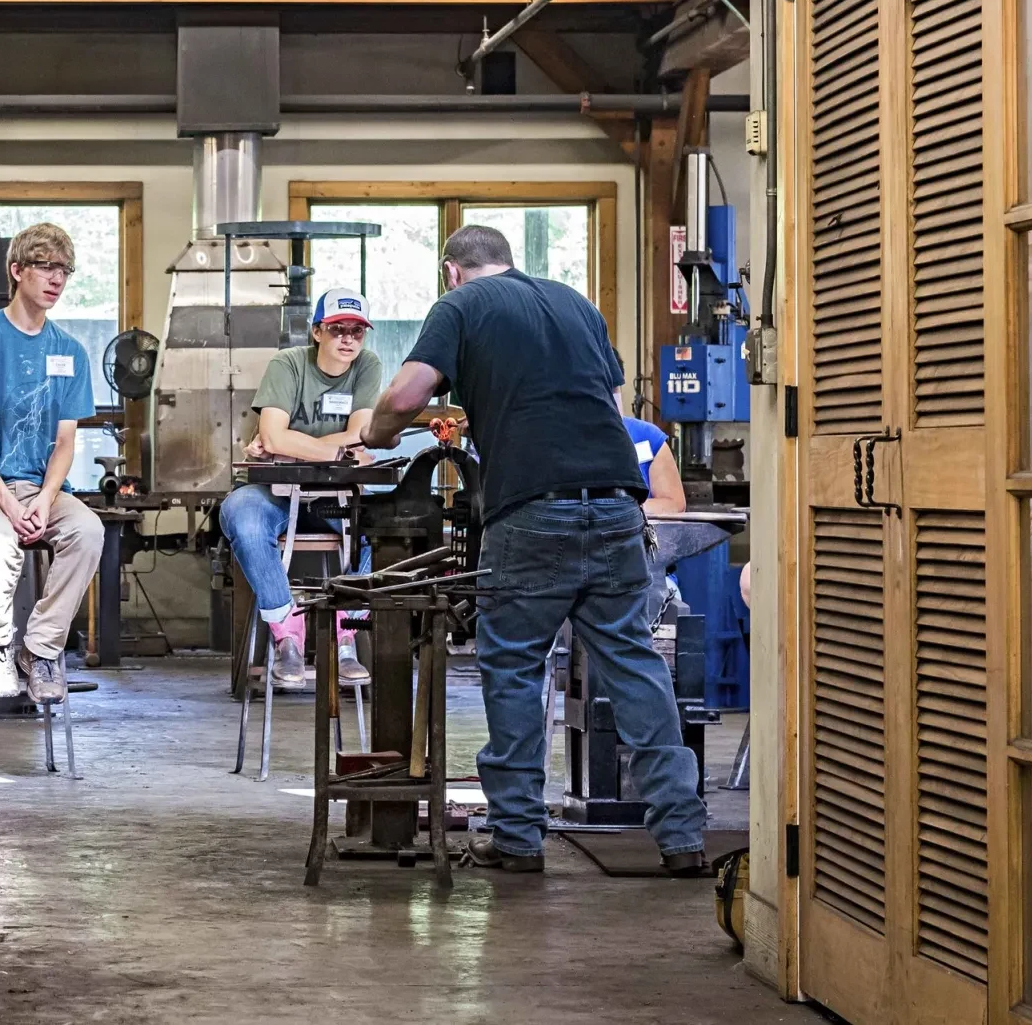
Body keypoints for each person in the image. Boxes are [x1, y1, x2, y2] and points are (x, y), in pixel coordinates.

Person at [365, 224, 709, 876]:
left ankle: (520, 838)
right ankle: (683, 836)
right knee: (633, 665)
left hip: (531, 510)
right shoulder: (575, 303)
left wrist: (374, 431)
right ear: (509, 261)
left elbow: (407, 395)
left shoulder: (460, 305)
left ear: (452, 271)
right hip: (615, 503)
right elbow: (607, 406)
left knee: (517, 666)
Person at [0, 222, 104, 706]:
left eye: (64, 270)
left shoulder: (69, 352)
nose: (56, 279)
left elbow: (65, 443)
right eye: (45, 266)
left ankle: (41, 649)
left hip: (40, 490)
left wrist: (46, 499)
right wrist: (9, 505)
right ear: (17, 270)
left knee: (88, 532)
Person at [222, 289, 381, 689]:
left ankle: (348, 630)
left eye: (356, 332)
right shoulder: (288, 365)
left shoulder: (367, 366)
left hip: (336, 497)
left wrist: (296, 444)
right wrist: (338, 448)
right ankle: (287, 635)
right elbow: (272, 439)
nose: (348, 339)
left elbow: (360, 441)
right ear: (316, 332)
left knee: (386, 523)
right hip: (275, 491)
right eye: (337, 329)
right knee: (243, 516)